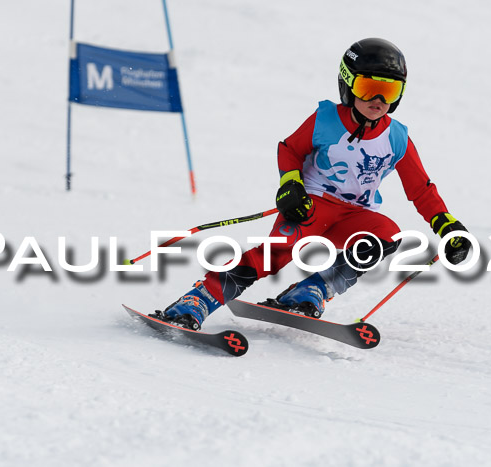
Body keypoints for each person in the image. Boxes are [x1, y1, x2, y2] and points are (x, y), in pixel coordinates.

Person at [160, 38, 472, 330]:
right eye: (367, 88)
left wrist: (447, 226)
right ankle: (198, 300)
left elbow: (420, 188)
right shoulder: (325, 120)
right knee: (276, 254)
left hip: (354, 215)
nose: (377, 100)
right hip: (310, 205)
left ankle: (311, 290)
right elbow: (290, 149)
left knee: (386, 234)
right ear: (348, 84)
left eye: (388, 92)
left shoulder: (397, 137)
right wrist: (291, 184)